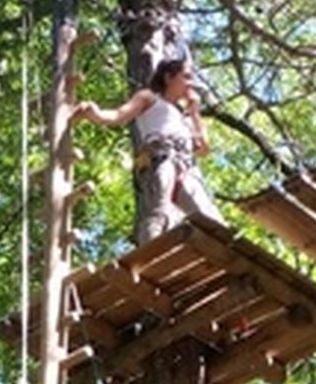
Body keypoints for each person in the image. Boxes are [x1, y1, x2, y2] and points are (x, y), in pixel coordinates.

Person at [71, 58, 224, 244]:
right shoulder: (150, 98)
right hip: (160, 158)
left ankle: (225, 253)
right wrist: (95, 114)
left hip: (185, 167)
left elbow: (204, 149)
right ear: (169, 77)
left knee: (209, 216)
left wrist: (194, 112)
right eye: (186, 77)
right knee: (158, 210)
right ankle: (150, 253)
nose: (190, 83)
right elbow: (119, 115)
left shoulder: (184, 119)